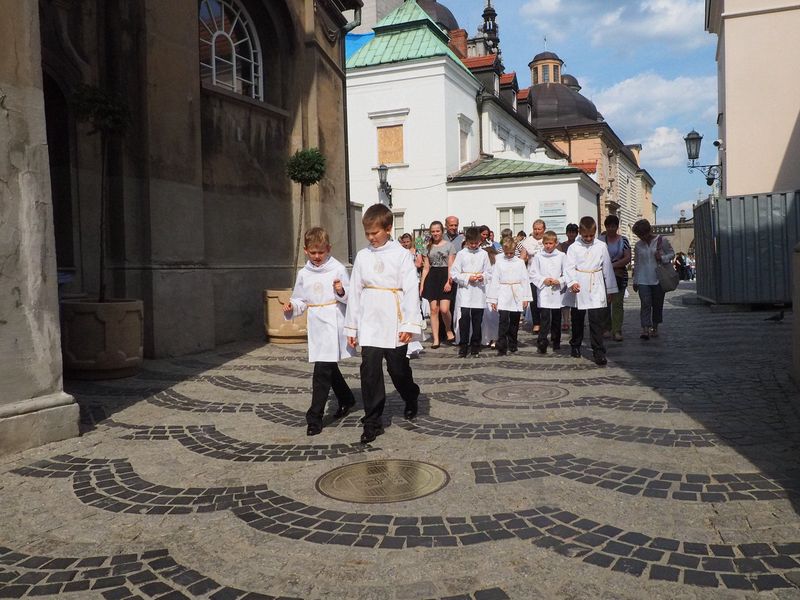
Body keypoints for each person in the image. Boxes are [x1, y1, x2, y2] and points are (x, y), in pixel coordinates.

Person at [345, 204, 423, 444]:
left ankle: (411, 395)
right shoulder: (362, 256)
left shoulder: (401, 255)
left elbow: (410, 290)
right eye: (367, 234)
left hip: (394, 319)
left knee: (397, 370)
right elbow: (355, 291)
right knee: (369, 371)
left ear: (388, 229)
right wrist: (352, 327)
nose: (370, 238)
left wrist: (409, 325)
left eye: (375, 233)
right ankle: (373, 420)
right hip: (370, 320)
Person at [283, 227, 355, 436]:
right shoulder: (304, 273)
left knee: (322, 371)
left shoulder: (338, 269)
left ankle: (314, 417)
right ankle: (347, 398)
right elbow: (300, 300)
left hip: (333, 322)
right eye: (313, 253)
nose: (317, 257)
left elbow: (350, 296)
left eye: (321, 252)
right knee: (328, 367)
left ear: (328, 249)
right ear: (306, 251)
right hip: (316, 324)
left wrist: (341, 290)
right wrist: (292, 307)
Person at [564, 216, 618, 366]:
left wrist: (610, 289)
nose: (588, 239)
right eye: (585, 235)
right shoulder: (574, 247)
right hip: (579, 284)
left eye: (591, 235)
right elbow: (569, 267)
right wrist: (572, 282)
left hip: (595, 284)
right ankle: (575, 345)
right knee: (578, 319)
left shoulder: (601, 246)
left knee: (596, 321)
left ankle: (598, 351)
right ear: (580, 232)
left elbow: (607, 267)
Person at [451, 227, 491, 357]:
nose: (474, 245)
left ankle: (475, 345)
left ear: (480, 241)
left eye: (476, 243)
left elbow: (489, 272)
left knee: (477, 319)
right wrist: (468, 278)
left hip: (478, 291)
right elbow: (454, 273)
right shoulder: (462, 254)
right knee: (465, 318)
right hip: (466, 291)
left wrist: (482, 277)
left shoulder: (484, 254)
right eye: (471, 243)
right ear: (466, 241)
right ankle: (463, 345)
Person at [631, 218, 675, 340]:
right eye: (639, 235)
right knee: (645, 304)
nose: (642, 237)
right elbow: (637, 263)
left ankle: (655, 327)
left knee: (657, 304)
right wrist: (635, 280)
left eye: (643, 234)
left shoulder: (662, 241)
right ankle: (645, 329)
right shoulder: (638, 245)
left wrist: (662, 258)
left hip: (658, 279)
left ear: (649, 231)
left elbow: (672, 254)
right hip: (643, 279)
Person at [487, 238, 532, 356]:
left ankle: (513, 343)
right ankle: (501, 345)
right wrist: (493, 299)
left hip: (516, 293)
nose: (509, 255)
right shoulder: (499, 262)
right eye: (507, 253)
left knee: (514, 321)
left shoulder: (520, 262)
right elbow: (495, 280)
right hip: (503, 292)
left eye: (511, 253)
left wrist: (525, 297)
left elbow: (525, 280)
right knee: (503, 320)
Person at [420, 221, 456, 348]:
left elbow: (451, 265)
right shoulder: (427, 247)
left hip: (445, 276)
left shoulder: (449, 246)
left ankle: (448, 329)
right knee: (434, 310)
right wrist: (422, 284)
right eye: (433, 231)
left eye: (438, 231)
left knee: (444, 309)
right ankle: (436, 339)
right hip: (432, 277)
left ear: (442, 231)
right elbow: (426, 268)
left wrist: (449, 281)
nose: (435, 233)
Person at [529, 230, 566, 353]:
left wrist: (559, 281)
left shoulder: (561, 256)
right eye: (546, 243)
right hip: (544, 290)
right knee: (544, 317)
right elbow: (533, 273)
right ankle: (542, 341)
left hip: (556, 291)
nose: (548, 246)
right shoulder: (538, 256)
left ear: (555, 243)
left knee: (556, 317)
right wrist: (543, 280)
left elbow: (567, 273)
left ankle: (556, 340)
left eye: (550, 243)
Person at [599, 215, 631, 342]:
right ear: (605, 227)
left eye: (614, 226)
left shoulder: (624, 240)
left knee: (617, 304)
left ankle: (617, 330)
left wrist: (612, 265)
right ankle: (606, 328)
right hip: (603, 276)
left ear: (617, 227)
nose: (611, 229)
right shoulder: (600, 240)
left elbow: (627, 257)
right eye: (609, 226)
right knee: (605, 303)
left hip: (619, 274)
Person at [399, 233, 425, 359]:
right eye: (403, 242)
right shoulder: (398, 252)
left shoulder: (416, 251)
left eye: (407, 241)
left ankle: (414, 343)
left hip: (414, 279)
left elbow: (419, 264)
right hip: (402, 283)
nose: (405, 244)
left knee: (413, 309)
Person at [521, 219, 546, 332]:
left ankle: (546, 322)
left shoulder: (548, 239)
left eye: (539, 229)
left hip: (546, 274)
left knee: (546, 299)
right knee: (535, 300)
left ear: (544, 230)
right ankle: (537, 323)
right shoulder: (527, 241)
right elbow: (522, 257)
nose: (537, 231)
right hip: (532, 274)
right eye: (535, 229)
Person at [558, 223, 579, 333]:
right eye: (570, 232)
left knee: (576, 298)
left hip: (577, 274)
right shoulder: (561, 245)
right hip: (565, 274)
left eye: (573, 232)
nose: (571, 234)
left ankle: (575, 320)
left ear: (576, 233)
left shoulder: (579, 245)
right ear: (566, 233)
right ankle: (566, 321)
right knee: (565, 299)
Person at [481, 246, 500, 347]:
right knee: (485, 316)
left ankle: (495, 338)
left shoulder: (496, 263)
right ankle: (486, 337)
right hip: (483, 289)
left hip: (492, 290)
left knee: (492, 315)